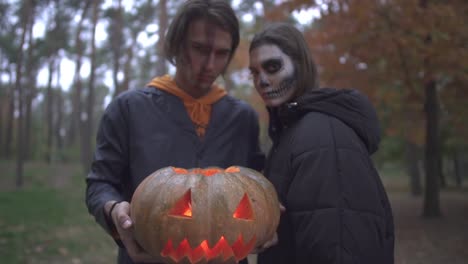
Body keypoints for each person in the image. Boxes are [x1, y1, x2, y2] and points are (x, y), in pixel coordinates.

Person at [85, 1, 264, 263]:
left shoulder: (243, 119)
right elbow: (100, 183)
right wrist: (114, 210)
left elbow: (256, 187)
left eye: (221, 53)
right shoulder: (129, 109)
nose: (210, 65)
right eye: (200, 49)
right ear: (177, 43)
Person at [248, 22, 395, 264]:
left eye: (272, 67)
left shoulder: (323, 135)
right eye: (254, 72)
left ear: (300, 64)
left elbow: (340, 247)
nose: (261, 80)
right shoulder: (292, 132)